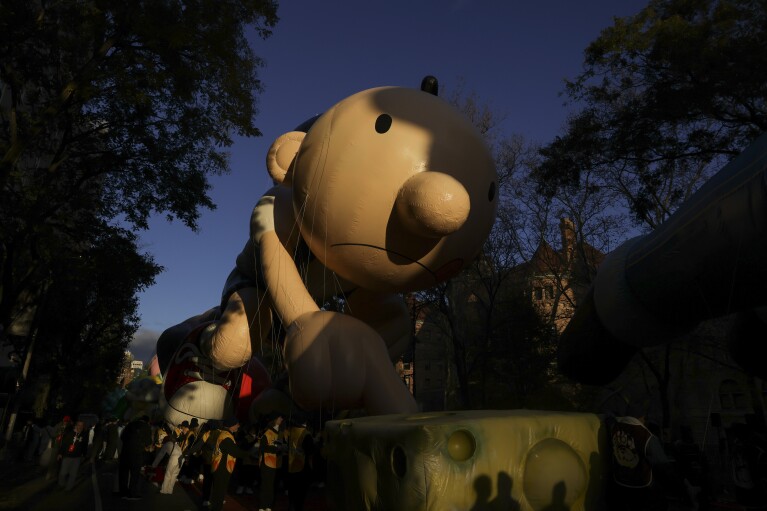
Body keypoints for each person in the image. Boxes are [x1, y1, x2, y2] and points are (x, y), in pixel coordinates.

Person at [606, 403, 675, 511]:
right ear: (642, 417)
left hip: (620, 483)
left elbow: (609, 418)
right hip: (642, 487)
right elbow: (663, 465)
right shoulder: (646, 436)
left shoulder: (614, 427)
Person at [204, 417, 253, 511]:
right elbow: (236, 451)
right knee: (219, 493)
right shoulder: (226, 437)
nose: (239, 426)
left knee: (218, 492)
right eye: (237, 424)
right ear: (232, 425)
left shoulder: (226, 434)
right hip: (221, 468)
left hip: (220, 467)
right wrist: (250, 453)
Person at [117, 415, 152, 501]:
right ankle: (132, 493)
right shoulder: (146, 427)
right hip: (136, 454)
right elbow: (148, 442)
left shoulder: (130, 424)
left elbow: (122, 437)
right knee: (135, 474)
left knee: (124, 473)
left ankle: (123, 492)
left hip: (125, 452)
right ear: (147, 421)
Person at [286, 416, 315, 511]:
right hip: (302, 467)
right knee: (300, 493)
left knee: (292, 492)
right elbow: (310, 452)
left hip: (291, 465)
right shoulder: (306, 434)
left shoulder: (291, 432)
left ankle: (291, 507)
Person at [259, 415, 284, 511]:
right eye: (279, 418)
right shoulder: (267, 432)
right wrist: (276, 448)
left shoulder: (280, 433)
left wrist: (281, 449)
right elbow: (263, 448)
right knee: (265, 484)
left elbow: (280, 449)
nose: (281, 420)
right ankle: (262, 505)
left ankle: (268, 505)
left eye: (282, 418)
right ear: (274, 420)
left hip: (275, 463)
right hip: (266, 461)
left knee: (271, 485)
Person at [159, 420, 191, 495]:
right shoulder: (187, 434)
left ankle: (164, 490)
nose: (181, 428)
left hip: (177, 456)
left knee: (168, 473)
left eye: (182, 427)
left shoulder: (186, 435)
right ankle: (170, 490)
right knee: (174, 474)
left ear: (184, 427)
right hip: (182, 457)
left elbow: (176, 440)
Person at [57, 420, 88, 491]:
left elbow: (85, 446)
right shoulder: (70, 433)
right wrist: (60, 453)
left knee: (73, 474)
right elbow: (64, 444)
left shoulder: (84, 435)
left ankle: (68, 488)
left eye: (81, 426)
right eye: (78, 425)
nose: (80, 427)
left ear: (83, 427)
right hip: (67, 456)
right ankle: (61, 484)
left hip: (77, 457)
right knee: (63, 473)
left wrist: (84, 455)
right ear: (76, 425)